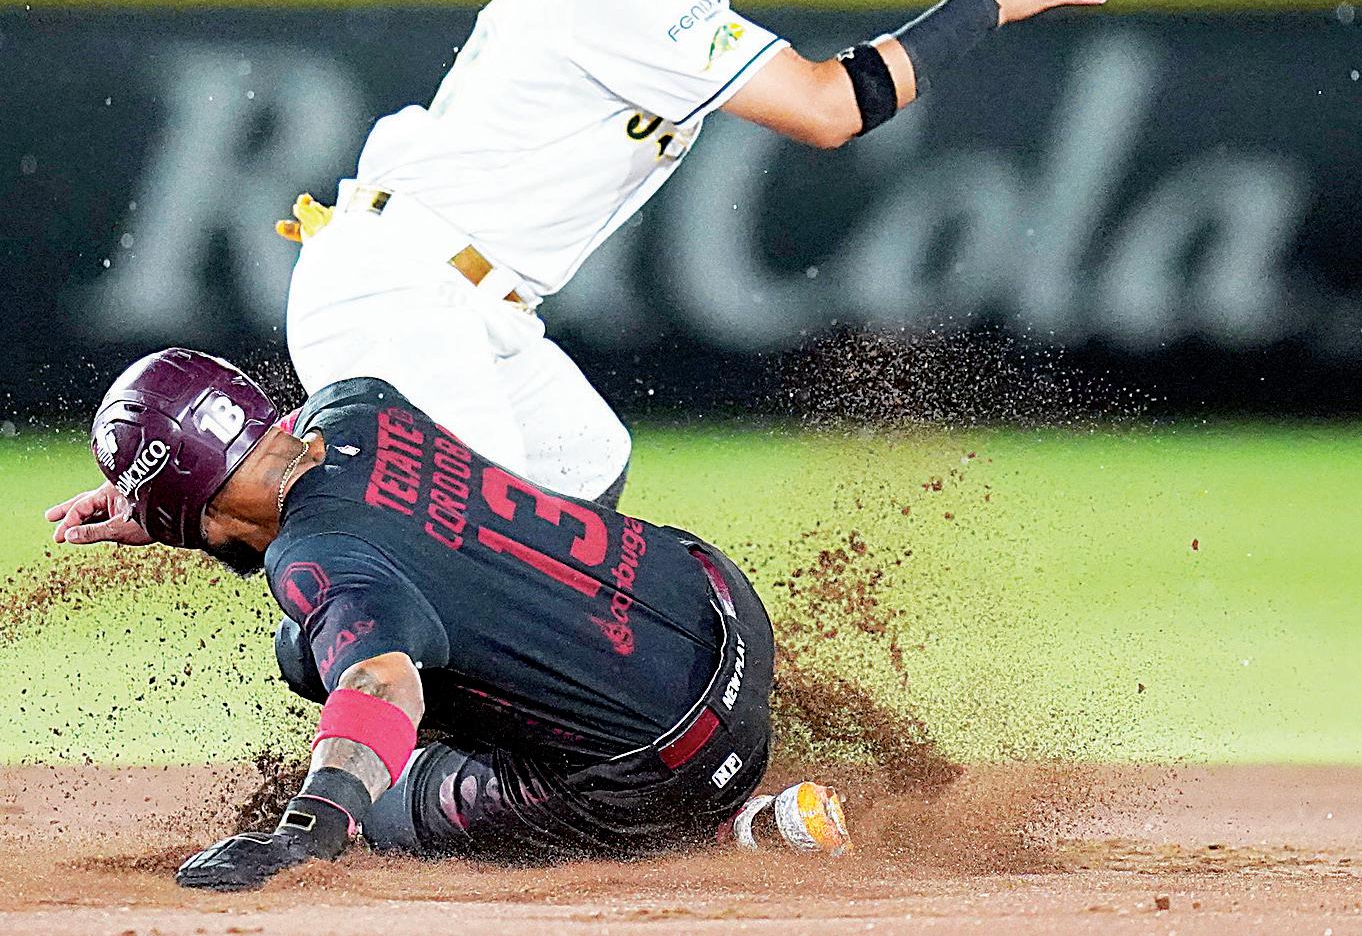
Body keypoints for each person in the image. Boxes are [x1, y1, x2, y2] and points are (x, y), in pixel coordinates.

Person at [280, 0, 1119, 506]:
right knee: (480, 552)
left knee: (583, 467)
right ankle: (265, 512)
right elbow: (829, 107)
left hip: (454, 295)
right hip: (403, 299)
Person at [46, 347, 849, 891]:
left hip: (672, 764)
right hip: (726, 610)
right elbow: (286, 456)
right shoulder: (358, 403)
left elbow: (381, 681)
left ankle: (725, 827)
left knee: (377, 787)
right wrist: (171, 496)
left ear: (179, 505)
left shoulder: (318, 559)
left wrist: (307, 831)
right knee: (322, 640)